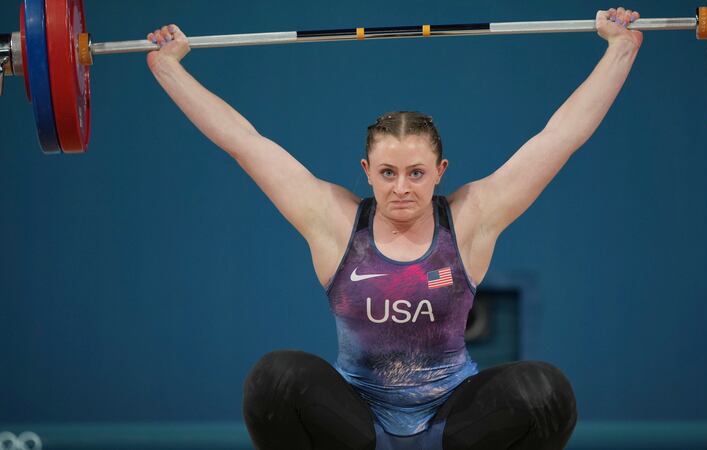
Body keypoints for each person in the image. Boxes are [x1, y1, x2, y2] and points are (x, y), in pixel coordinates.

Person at [146, 6, 642, 450]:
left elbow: (560, 138)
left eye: (416, 173)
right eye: (387, 173)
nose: (401, 187)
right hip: (354, 423)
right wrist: (169, 69)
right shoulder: (333, 219)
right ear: (366, 171)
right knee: (273, 379)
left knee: (546, 393)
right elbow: (244, 142)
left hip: (456, 423)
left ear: (441, 171)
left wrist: (621, 49)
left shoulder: (471, 217)